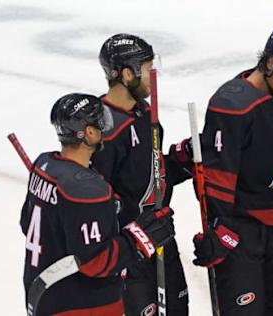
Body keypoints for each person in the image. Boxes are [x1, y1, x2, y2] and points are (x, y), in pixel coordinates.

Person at [191, 25, 273, 315]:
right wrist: (219, 231)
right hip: (243, 231)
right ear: (271, 63)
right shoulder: (232, 104)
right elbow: (218, 179)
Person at [20, 93, 175, 315]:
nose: (106, 129)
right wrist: (139, 240)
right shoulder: (87, 188)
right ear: (89, 133)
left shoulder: (44, 165)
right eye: (102, 124)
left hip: (44, 295)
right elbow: (96, 262)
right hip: (79, 305)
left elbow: (27, 222)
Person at [91, 34, 191, 315]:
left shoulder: (145, 113)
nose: (153, 74)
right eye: (146, 67)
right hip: (131, 256)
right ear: (126, 74)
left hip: (162, 241)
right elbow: (97, 205)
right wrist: (133, 236)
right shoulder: (103, 132)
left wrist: (181, 162)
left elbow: (149, 177)